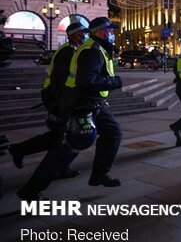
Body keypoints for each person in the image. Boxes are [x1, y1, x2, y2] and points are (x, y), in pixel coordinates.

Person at [17, 17, 124, 200]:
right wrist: (114, 82)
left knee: (113, 133)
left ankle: (99, 174)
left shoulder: (97, 49)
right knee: (66, 147)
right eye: (110, 30)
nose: (112, 34)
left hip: (94, 104)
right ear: (99, 32)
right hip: (81, 105)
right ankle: (31, 190)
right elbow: (86, 80)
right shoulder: (91, 51)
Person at [9, 23, 88, 178]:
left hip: (62, 99)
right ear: (77, 35)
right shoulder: (69, 52)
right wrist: (61, 104)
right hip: (62, 100)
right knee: (67, 136)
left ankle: (23, 151)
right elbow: (59, 79)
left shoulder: (71, 50)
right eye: (84, 33)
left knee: (62, 136)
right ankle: (23, 152)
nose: (86, 36)